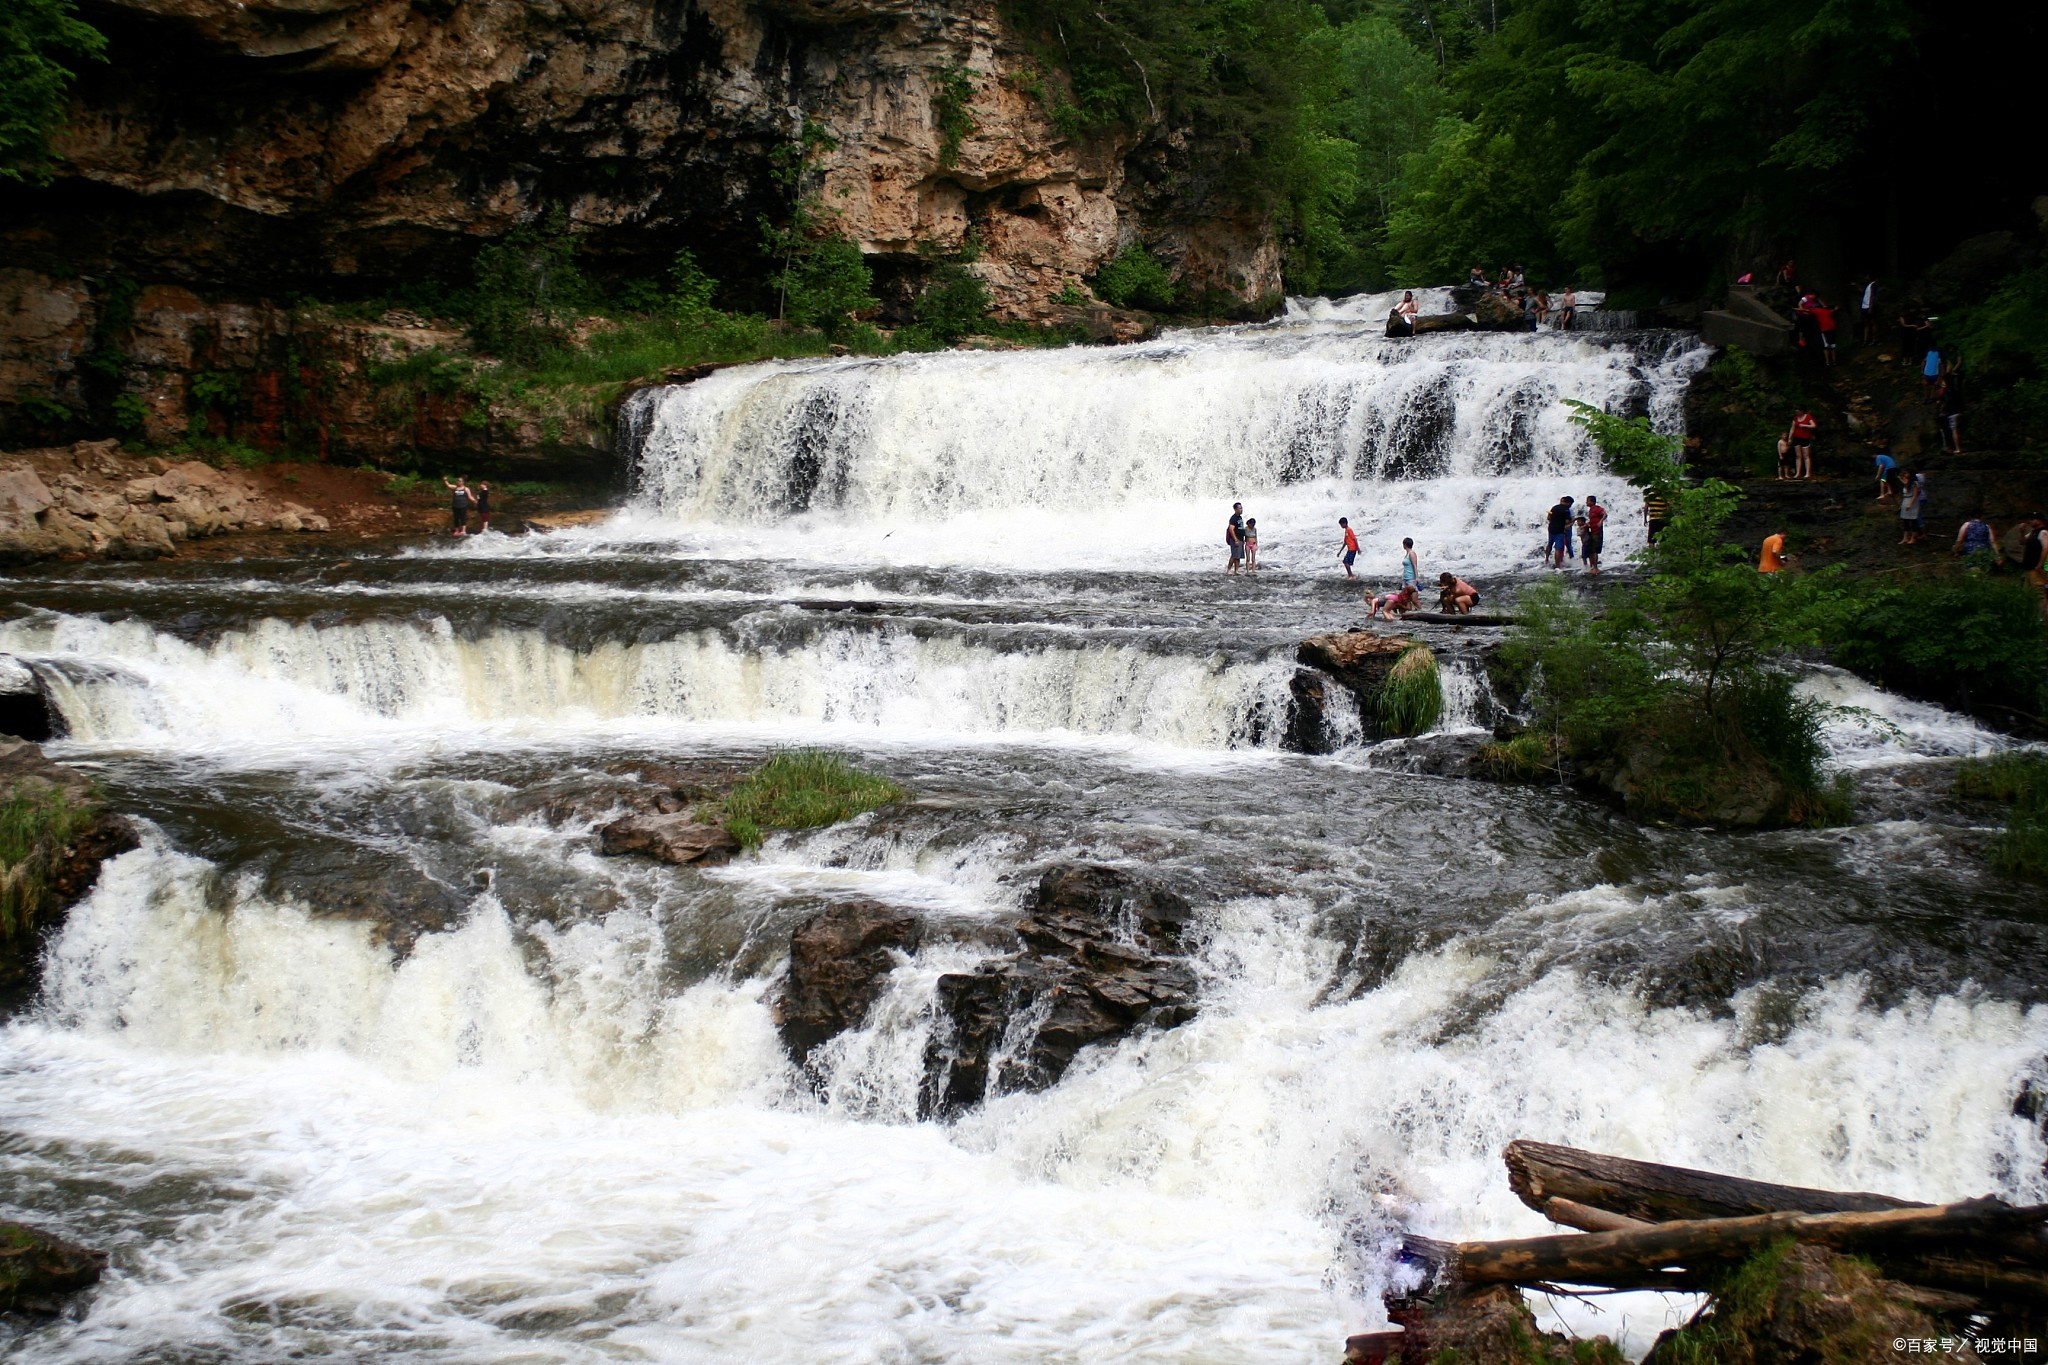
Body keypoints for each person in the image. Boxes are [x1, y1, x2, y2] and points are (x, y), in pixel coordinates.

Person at [1937, 369, 1963, 454]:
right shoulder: (1955, 389)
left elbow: (1942, 401)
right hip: (1959, 412)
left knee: (1954, 431)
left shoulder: (1946, 392)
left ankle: (1958, 448)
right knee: (1957, 431)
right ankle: (1957, 447)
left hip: (1952, 413)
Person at [1545, 495, 1575, 568]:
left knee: (1549, 544)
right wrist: (1572, 522)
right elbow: (1567, 522)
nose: (1570, 505)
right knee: (1558, 548)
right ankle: (1558, 566)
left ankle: (1546, 559)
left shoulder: (1554, 507)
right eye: (1571, 504)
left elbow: (1548, 518)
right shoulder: (1566, 510)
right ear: (1568, 503)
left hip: (1551, 528)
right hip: (1560, 531)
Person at [1788, 409, 1818, 480]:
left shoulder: (1808, 417)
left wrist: (1804, 425)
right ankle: (1798, 473)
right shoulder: (1795, 418)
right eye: (1796, 412)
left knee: (1806, 456)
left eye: (1798, 411)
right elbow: (1792, 428)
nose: (1797, 413)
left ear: (1802, 411)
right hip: (1796, 438)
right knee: (1798, 456)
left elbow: (1813, 425)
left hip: (1805, 438)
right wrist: (1790, 438)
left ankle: (1807, 473)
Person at [1897, 470, 1926, 545]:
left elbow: (1915, 495)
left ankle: (1913, 538)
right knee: (1905, 521)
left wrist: (1910, 504)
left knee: (1913, 521)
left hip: (1912, 502)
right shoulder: (1908, 484)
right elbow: (1906, 485)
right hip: (1905, 500)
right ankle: (1905, 538)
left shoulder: (1914, 483)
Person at [1582, 494, 1606, 574]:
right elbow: (1593, 520)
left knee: (1595, 550)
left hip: (1597, 532)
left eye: (1587, 501)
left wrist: (1601, 521)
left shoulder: (1597, 508)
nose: (1586, 502)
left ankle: (1595, 568)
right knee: (1591, 550)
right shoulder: (1591, 510)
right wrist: (1587, 524)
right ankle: (1592, 567)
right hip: (1592, 531)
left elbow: (1605, 514)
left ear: (1592, 501)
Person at [1812, 299, 1838, 367]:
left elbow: (1806, 310)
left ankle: (1827, 362)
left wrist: (1796, 309)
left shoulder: (1816, 311)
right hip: (1832, 328)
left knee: (1826, 346)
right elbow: (1834, 309)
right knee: (1833, 345)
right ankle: (1834, 361)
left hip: (1825, 330)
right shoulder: (1828, 311)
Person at [1225, 502, 1245, 573]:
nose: (1241, 510)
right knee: (1234, 556)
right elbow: (1231, 529)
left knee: (1238, 556)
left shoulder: (1239, 517)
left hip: (1240, 539)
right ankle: (1229, 570)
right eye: (1240, 508)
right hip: (1235, 540)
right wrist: (1235, 539)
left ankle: (1236, 570)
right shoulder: (1233, 518)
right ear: (1235, 509)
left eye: (1241, 508)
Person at [1858, 277, 1878, 344]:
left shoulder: (1873, 284)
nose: (1866, 278)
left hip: (1869, 307)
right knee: (1866, 324)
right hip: (1864, 307)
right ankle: (1865, 341)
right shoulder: (1867, 285)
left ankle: (1874, 340)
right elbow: (1863, 293)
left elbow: (1872, 296)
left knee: (1872, 323)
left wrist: (1871, 307)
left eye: (1867, 276)